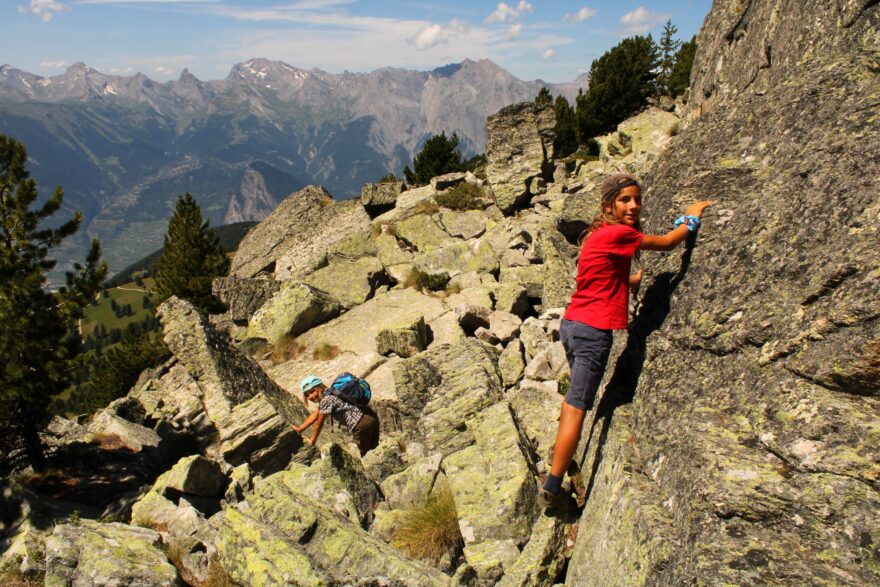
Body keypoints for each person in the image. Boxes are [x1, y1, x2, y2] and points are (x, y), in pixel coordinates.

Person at [538, 173, 712, 508]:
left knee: (574, 398)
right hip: (592, 332)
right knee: (576, 406)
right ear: (609, 206)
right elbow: (668, 242)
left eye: (637, 200)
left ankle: (557, 454)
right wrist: (690, 218)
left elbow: (597, 275)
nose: (633, 206)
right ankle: (552, 489)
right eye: (625, 200)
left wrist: (630, 281)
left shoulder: (598, 234)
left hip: (573, 324)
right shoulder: (620, 233)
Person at [293, 375, 380, 456]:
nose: (310, 396)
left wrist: (312, 440)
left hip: (361, 425)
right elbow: (315, 415)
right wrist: (300, 429)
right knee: (376, 450)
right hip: (371, 416)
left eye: (312, 391)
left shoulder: (326, 400)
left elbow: (319, 424)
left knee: (365, 455)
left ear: (319, 387)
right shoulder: (331, 392)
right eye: (307, 395)